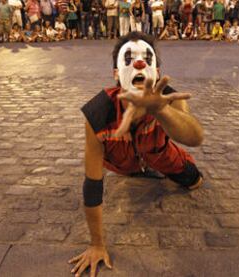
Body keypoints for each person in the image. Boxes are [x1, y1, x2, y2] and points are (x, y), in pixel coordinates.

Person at [69, 31, 204, 277]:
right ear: (116, 74)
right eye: (128, 58)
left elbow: (195, 137)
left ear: (157, 72)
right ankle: (135, 170)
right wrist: (97, 244)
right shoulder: (98, 113)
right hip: (121, 162)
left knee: (195, 182)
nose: (138, 63)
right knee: (128, 169)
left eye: (145, 58)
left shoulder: (168, 98)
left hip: (161, 155)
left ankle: (152, 169)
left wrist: (161, 111)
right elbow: (92, 184)